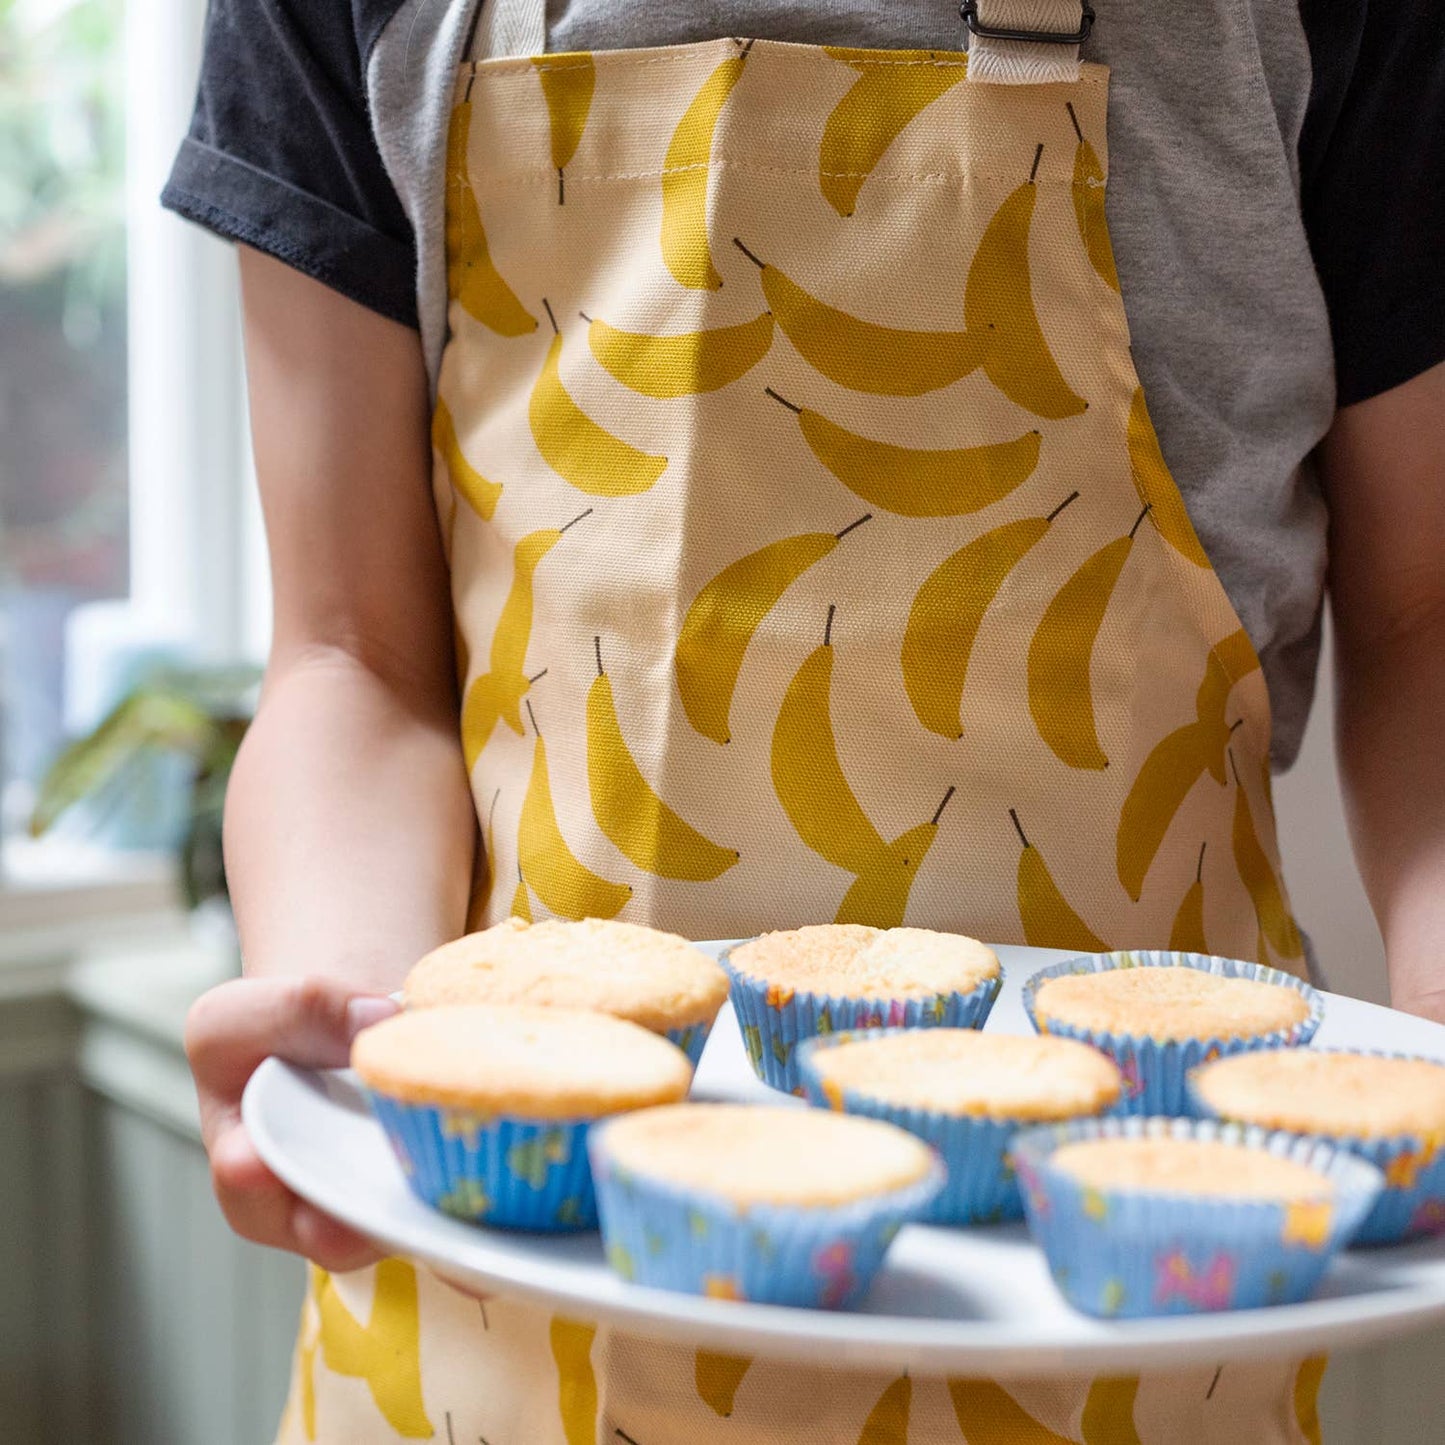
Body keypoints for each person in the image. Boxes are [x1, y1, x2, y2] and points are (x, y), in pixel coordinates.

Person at [166, 0, 1444, 1439]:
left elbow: (1421, 619)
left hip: (1135, 1318)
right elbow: (353, 648)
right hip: (496, 1315)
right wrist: (363, 1040)